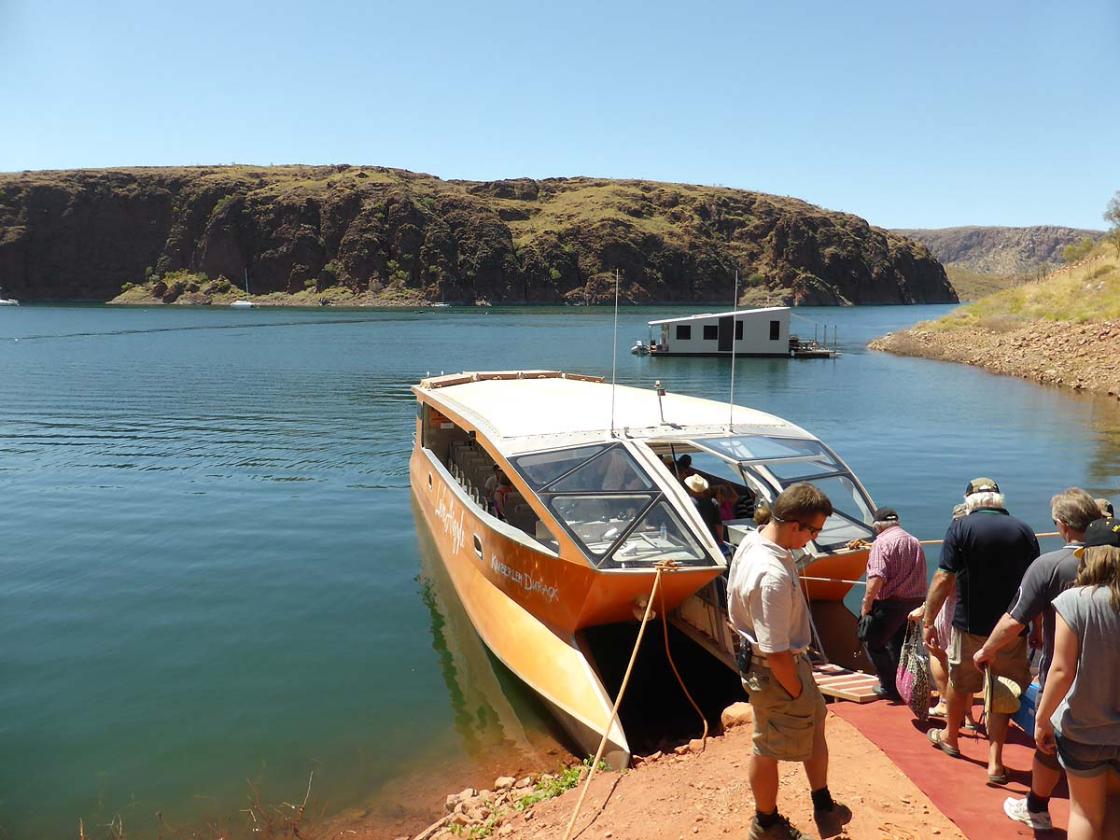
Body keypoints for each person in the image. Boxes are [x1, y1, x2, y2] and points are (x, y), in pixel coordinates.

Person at [728, 483, 851, 839]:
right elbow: (775, 650)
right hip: (776, 671)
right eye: (813, 531)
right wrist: (796, 689)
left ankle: (823, 804)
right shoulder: (772, 577)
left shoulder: (757, 540)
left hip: (787, 666)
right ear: (795, 525)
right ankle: (765, 824)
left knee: (815, 725)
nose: (812, 540)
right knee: (766, 746)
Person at [973, 488, 1101, 829]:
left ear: (1061, 525)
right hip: (1108, 672)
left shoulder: (1049, 565)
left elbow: (1015, 619)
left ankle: (1038, 808)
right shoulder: (1111, 564)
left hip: (1064, 671)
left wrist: (987, 650)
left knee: (1048, 741)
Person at [921, 477, 1039, 785]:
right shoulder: (1024, 530)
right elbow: (1035, 586)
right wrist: (1036, 626)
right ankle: (995, 763)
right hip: (1012, 629)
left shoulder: (960, 528)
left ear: (970, 501)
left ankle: (951, 737)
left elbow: (943, 578)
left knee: (960, 684)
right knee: (1004, 691)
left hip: (969, 625)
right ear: (999, 499)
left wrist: (928, 620)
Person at [1034, 517, 1120, 840]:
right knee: (1114, 809)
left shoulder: (1074, 601)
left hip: (1082, 729)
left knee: (1084, 812)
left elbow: (1061, 670)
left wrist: (1042, 719)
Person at [859, 507, 928, 701]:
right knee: (899, 645)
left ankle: (889, 686)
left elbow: (876, 577)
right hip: (914, 603)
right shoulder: (914, 541)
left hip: (889, 603)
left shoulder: (880, 543)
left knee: (873, 642)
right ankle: (904, 685)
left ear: (877, 526)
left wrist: (866, 604)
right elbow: (922, 572)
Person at [684, 474, 726, 547]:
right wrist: (721, 541)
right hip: (711, 539)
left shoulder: (688, 502)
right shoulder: (713, 502)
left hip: (694, 539)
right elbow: (718, 524)